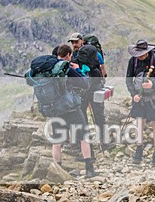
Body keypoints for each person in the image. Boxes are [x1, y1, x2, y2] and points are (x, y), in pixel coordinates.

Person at [49, 44, 96, 177]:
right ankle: (89, 169)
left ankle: (57, 171)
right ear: (69, 55)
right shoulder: (68, 68)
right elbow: (85, 84)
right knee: (83, 137)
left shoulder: (49, 67)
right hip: (71, 109)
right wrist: (79, 70)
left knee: (57, 141)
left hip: (55, 110)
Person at [126, 40, 155, 166]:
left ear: (147, 52)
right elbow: (128, 80)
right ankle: (139, 149)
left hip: (153, 99)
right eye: (137, 54)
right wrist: (133, 94)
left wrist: (152, 85)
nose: (139, 56)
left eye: (141, 54)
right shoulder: (133, 61)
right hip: (139, 98)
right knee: (139, 123)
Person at [72, 42, 114, 153]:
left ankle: (85, 144)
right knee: (99, 116)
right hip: (95, 89)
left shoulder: (77, 64)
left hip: (83, 92)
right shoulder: (95, 67)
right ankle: (104, 142)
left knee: (82, 117)